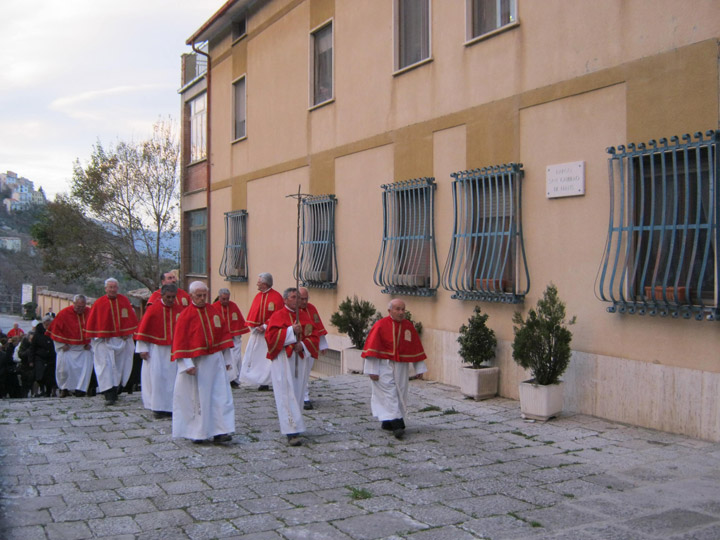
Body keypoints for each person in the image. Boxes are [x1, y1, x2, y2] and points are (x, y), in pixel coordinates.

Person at [171, 281, 235, 444]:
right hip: (197, 364)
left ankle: (221, 431)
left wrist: (227, 359)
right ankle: (197, 432)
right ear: (191, 295)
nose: (201, 298)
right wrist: (187, 364)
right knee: (197, 399)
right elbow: (181, 342)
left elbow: (223, 335)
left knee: (220, 396)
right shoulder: (185, 315)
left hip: (215, 361)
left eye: (204, 295)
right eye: (198, 295)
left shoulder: (213, 311)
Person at [362, 299, 427, 440]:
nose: (401, 312)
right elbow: (372, 348)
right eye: (397, 309)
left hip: (401, 366)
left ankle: (387, 422)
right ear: (389, 311)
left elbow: (415, 347)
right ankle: (398, 424)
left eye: (403, 309)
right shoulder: (380, 325)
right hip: (383, 366)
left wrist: (419, 368)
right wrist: (371, 370)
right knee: (388, 394)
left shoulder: (408, 326)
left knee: (400, 392)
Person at [265, 287, 319, 446]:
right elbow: (271, 337)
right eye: (294, 297)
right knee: (286, 393)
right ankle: (291, 431)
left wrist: (302, 344)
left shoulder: (304, 316)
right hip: (284, 360)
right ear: (285, 299)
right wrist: (290, 331)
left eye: (299, 297)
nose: (297, 300)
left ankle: (297, 424)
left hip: (300, 359)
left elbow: (314, 335)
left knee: (298, 392)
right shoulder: (277, 315)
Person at [85, 278, 139, 404]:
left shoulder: (124, 301)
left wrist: (128, 332)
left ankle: (116, 389)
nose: (112, 289)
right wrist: (101, 334)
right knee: (106, 367)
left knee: (119, 367)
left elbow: (130, 319)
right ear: (106, 289)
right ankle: (108, 393)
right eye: (110, 287)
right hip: (104, 342)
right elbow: (94, 323)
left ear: (117, 288)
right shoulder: (99, 303)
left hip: (120, 340)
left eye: (114, 287)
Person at [135, 284, 182, 418]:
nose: (171, 300)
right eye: (168, 297)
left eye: (173, 297)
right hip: (157, 351)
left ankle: (172, 407)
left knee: (173, 379)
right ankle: (158, 408)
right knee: (158, 379)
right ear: (162, 295)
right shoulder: (153, 309)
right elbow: (143, 330)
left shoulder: (179, 310)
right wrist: (142, 348)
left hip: (174, 350)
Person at [239, 273, 284, 391]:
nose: (257, 284)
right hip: (258, 334)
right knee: (256, 358)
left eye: (259, 282)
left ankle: (267, 381)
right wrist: (255, 327)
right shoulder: (258, 296)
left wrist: (265, 325)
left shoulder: (277, 297)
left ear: (264, 284)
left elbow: (278, 316)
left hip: (270, 334)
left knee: (267, 360)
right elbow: (253, 314)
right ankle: (258, 380)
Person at [47, 295, 93, 397]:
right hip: (67, 349)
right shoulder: (63, 314)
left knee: (84, 371)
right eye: (78, 307)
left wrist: (91, 344)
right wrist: (61, 345)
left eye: (82, 307)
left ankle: (81, 389)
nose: (80, 309)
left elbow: (96, 330)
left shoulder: (90, 312)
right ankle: (64, 388)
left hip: (84, 349)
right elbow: (55, 331)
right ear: (74, 304)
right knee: (64, 370)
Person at [297, 287, 329, 410]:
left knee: (305, 372)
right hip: (296, 348)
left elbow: (318, 326)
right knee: (298, 372)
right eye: (302, 299)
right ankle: (300, 396)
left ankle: (304, 396)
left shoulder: (312, 309)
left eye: (306, 299)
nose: (304, 302)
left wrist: (323, 344)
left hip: (310, 346)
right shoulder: (293, 311)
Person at [212, 288, 249, 388]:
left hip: (234, 339)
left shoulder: (233, 306)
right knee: (223, 359)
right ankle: (225, 379)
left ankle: (234, 379)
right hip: (221, 339)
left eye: (227, 299)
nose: (225, 301)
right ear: (219, 297)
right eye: (223, 299)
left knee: (235, 358)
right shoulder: (213, 307)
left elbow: (238, 321)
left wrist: (237, 333)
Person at [29, 316, 57, 397]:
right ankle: (42, 389)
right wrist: (31, 360)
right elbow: (32, 347)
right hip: (40, 357)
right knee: (40, 376)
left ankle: (48, 392)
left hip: (51, 357)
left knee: (49, 376)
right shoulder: (38, 334)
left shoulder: (53, 332)